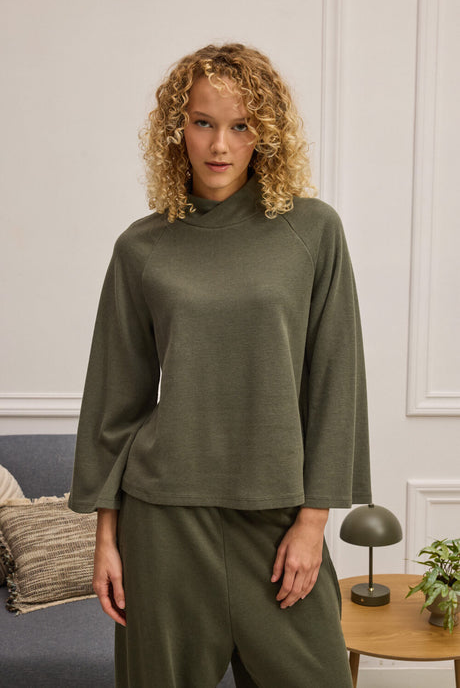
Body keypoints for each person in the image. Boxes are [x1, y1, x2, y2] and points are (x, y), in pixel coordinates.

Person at [69, 42, 372, 688]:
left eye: (241, 126)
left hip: (278, 518)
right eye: (203, 122)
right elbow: (115, 402)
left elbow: (335, 380)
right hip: (165, 522)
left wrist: (313, 522)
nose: (220, 145)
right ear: (176, 128)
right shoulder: (141, 247)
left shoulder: (312, 232)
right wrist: (106, 540)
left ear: (266, 133)